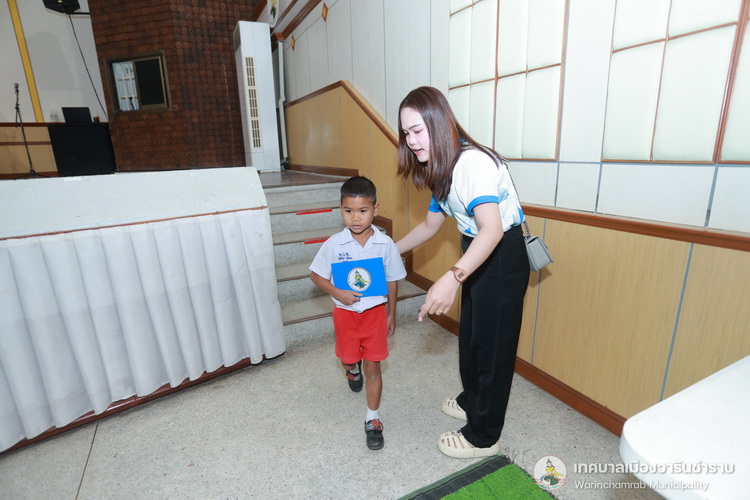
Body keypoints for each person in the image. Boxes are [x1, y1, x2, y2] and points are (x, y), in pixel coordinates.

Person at [395, 86, 530, 459]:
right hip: (476, 250)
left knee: (492, 347)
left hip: (500, 254)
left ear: (439, 124)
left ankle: (484, 436)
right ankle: (473, 400)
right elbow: (429, 226)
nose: (411, 141)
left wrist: (452, 277)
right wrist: (387, 252)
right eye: (406, 133)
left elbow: (493, 229)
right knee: (472, 336)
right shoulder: (442, 166)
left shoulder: (470, 163)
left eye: (418, 130)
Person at [309, 175, 407, 450]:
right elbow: (316, 275)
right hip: (345, 315)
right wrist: (337, 292)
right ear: (340, 210)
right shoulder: (334, 244)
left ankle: (372, 418)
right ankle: (352, 372)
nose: (355, 217)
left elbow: (392, 280)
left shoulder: (385, 244)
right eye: (348, 210)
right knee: (348, 360)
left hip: (375, 314)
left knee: (373, 367)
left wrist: (391, 313)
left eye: (363, 210)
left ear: (375, 209)